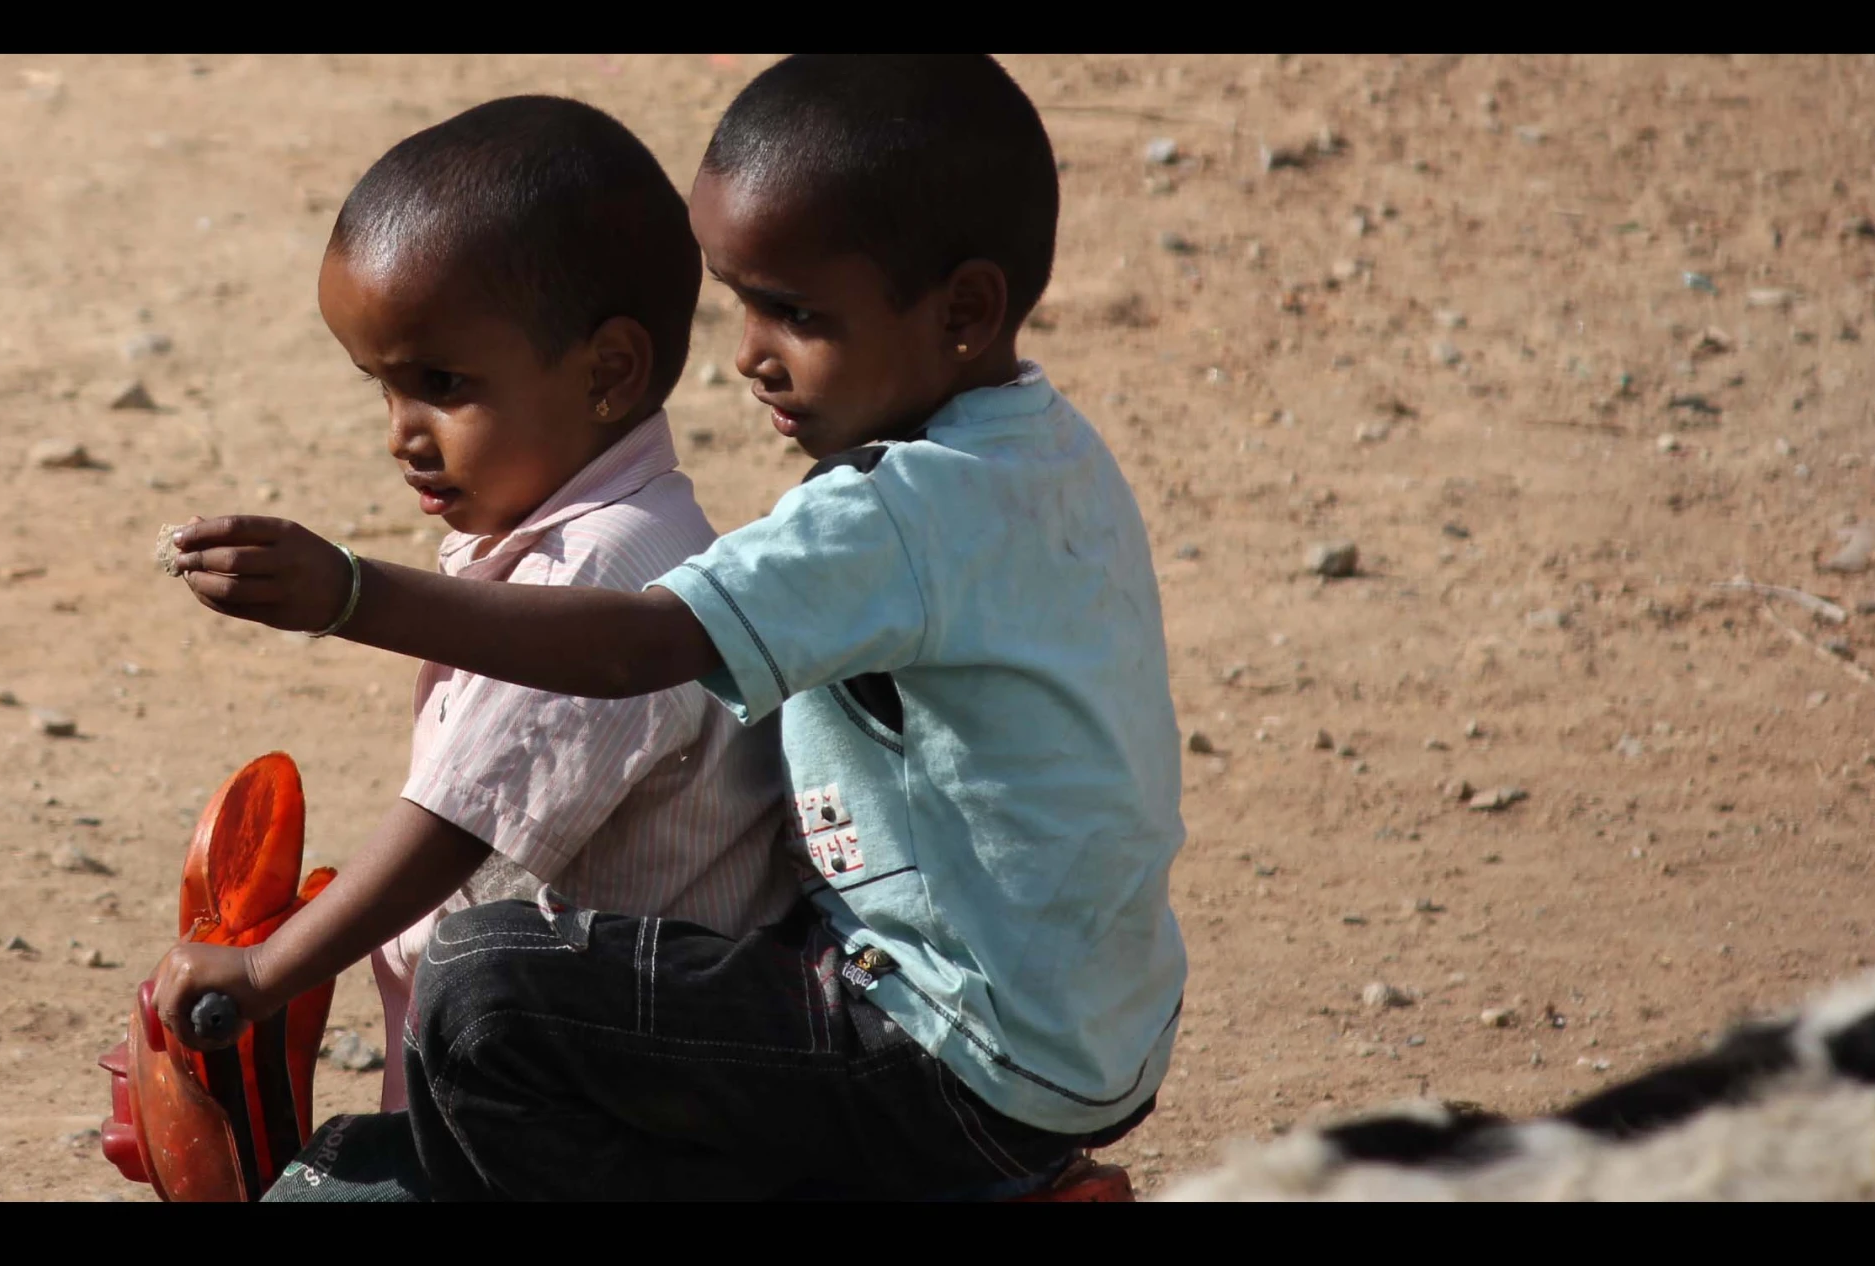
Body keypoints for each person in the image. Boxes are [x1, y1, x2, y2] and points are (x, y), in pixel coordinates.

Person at [170, 54, 1185, 1200]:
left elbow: (627, 647)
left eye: (795, 313)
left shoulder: (890, 516)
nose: (749, 352)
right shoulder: (1043, 454)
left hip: (941, 1059)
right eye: (740, 300)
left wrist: (349, 594)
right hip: (1085, 1033)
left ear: (960, 310)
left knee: (486, 994)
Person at [146, 93, 804, 1155]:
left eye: (441, 385)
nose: (402, 434)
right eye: (383, 388)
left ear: (606, 374)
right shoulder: (585, 527)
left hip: (613, 1116)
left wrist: (272, 971)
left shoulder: (602, 567)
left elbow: (463, 817)